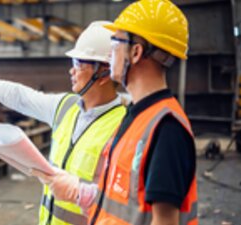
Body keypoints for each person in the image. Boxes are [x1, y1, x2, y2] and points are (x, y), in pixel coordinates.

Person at [32, 0, 198, 224]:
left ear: (136, 52)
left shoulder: (166, 129)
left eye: (116, 44)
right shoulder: (134, 116)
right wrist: (82, 193)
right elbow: (123, 202)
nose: (110, 56)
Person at [0, 21, 127, 225]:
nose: (71, 71)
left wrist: (78, 191)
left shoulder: (125, 126)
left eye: (78, 64)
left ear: (103, 73)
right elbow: (21, 96)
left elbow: (125, 202)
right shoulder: (65, 107)